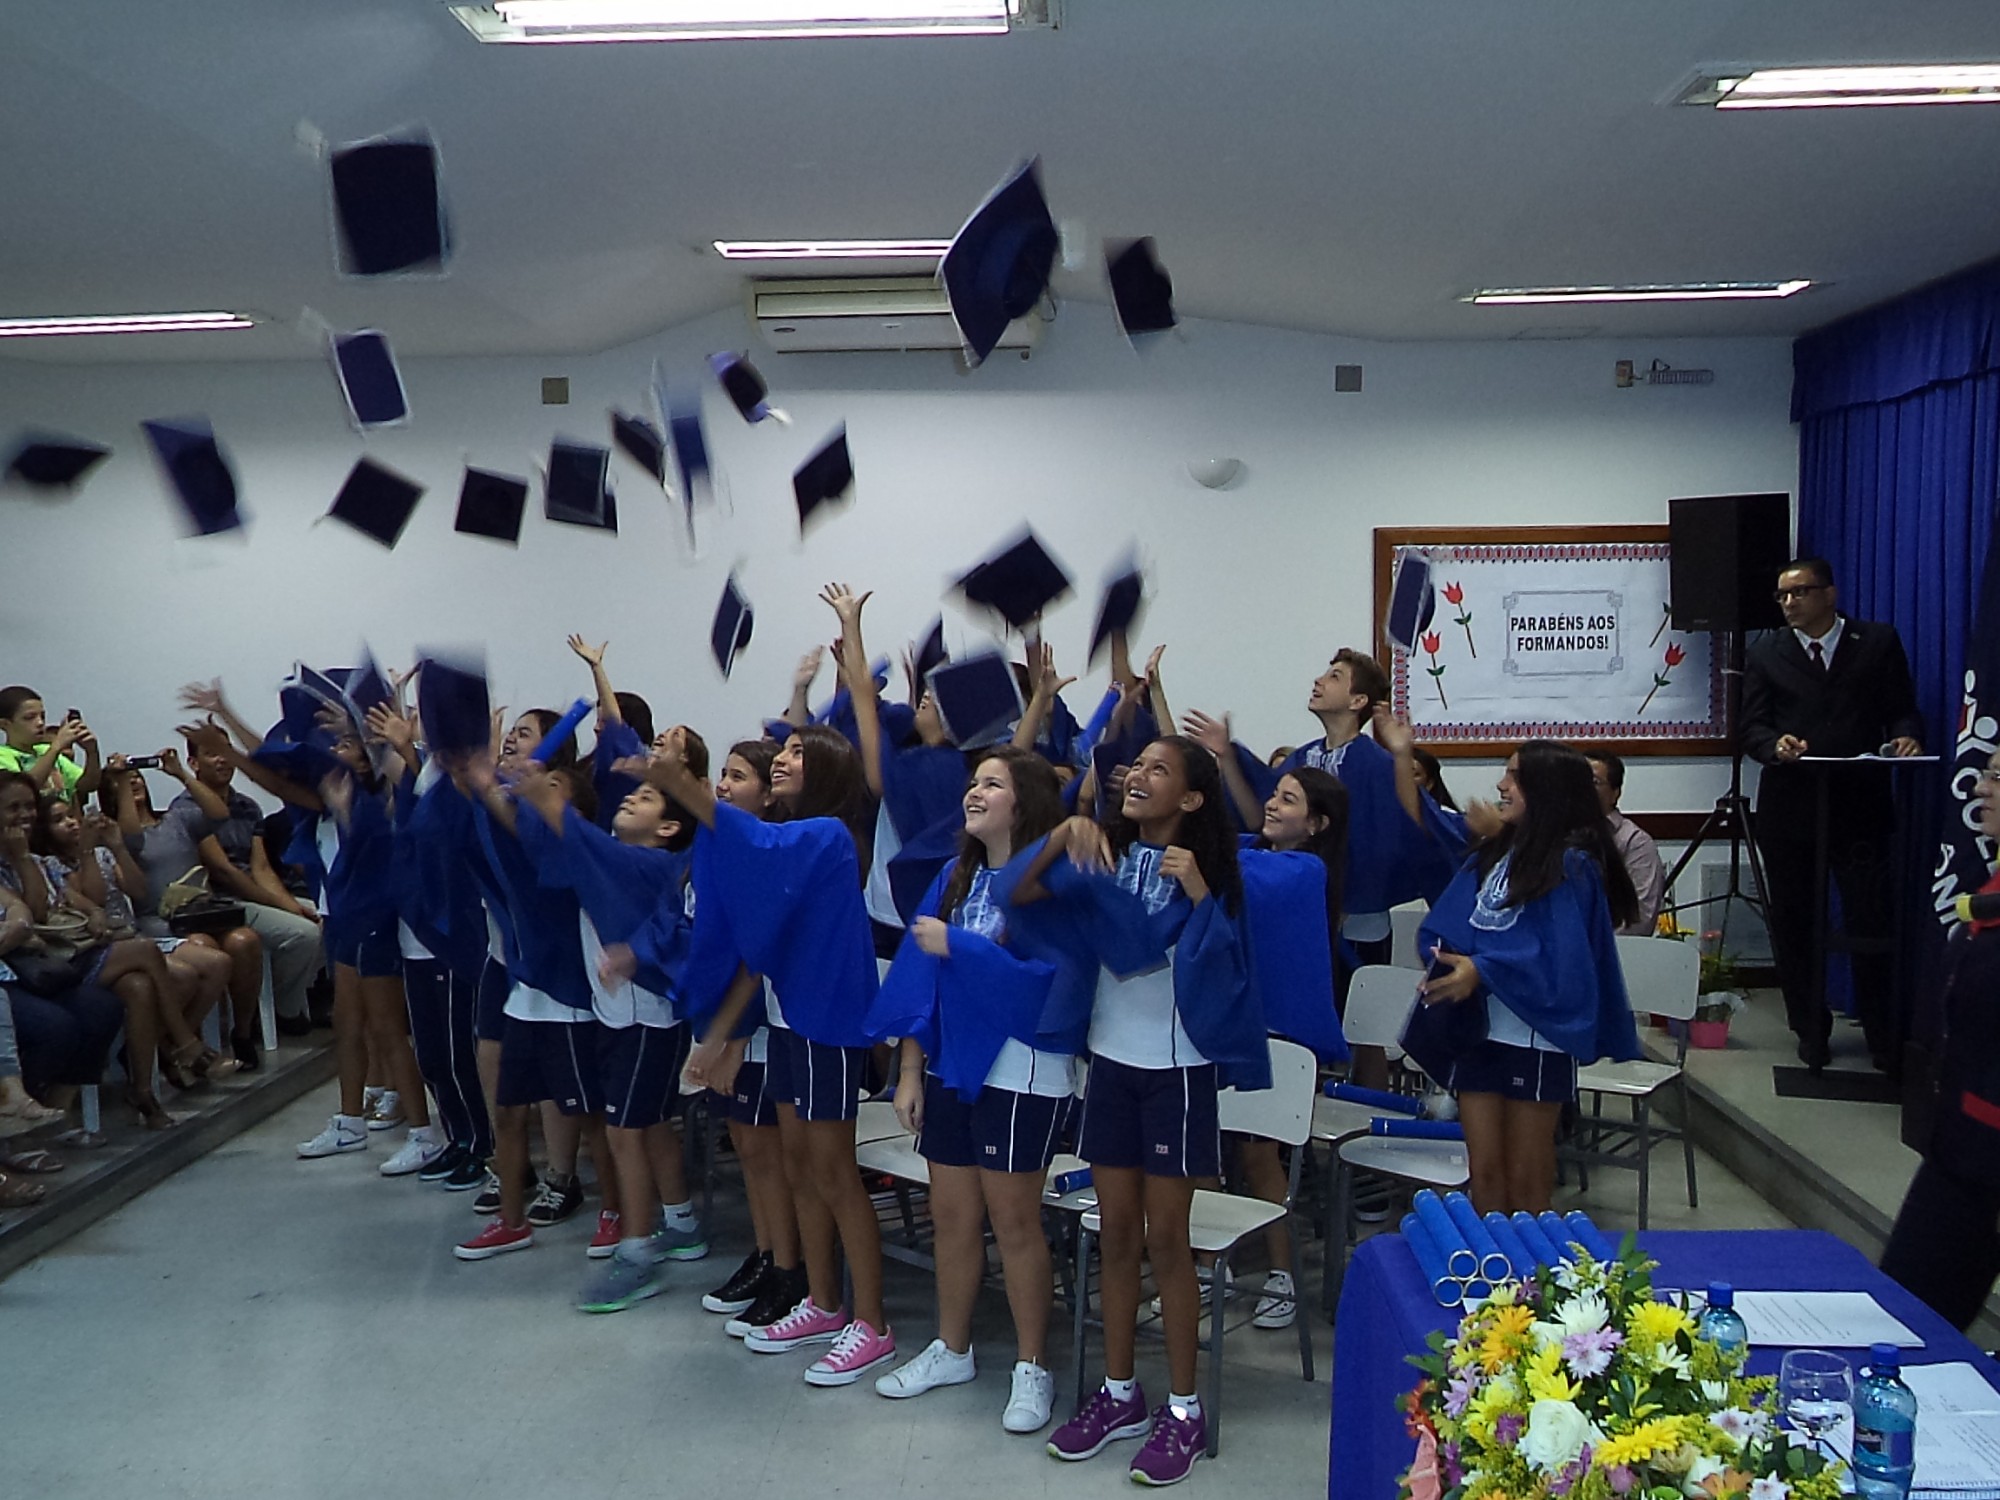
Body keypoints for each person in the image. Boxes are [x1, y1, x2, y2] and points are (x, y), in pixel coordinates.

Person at [1015, 735, 1264, 1485]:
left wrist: (1199, 895)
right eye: (1136, 766)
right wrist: (1065, 828)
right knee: (1116, 1235)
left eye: (1159, 769)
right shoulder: (1106, 859)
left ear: (1191, 798)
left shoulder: (1209, 875)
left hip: (1176, 1075)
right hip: (1111, 1067)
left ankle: (1184, 1409)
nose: (1137, 776)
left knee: (1169, 1244)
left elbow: (1228, 973)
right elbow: (1017, 893)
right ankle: (1121, 1391)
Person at [656, 723, 894, 1388]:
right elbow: (758, 948)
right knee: (799, 1169)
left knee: (834, 1174)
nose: (782, 759)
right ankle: (822, 1301)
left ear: (827, 772)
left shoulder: (831, 836)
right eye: (783, 750)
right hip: (789, 1022)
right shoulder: (790, 838)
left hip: (827, 1026)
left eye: (796, 753)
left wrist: (680, 783)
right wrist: (724, 1037)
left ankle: (872, 1325)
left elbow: (752, 842)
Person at [867, 746, 1079, 1434]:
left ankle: (1032, 1366)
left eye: (993, 783)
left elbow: (1047, 981)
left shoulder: (1050, 880)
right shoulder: (956, 877)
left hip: (1022, 1068)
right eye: (974, 781)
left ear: (1025, 802)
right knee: (952, 1215)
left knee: (1014, 1223)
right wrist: (909, 1071)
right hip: (951, 1065)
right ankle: (951, 1348)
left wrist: (963, 947)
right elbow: (918, 979)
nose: (975, 792)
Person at [1403, 741, 1641, 1216]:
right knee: (1484, 1171)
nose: (1500, 785)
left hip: (1535, 1037)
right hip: (1479, 1030)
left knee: (1526, 1179)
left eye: (1514, 776)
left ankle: (1529, 1262)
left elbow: (1561, 956)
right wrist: (1448, 960)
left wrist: (1482, 969)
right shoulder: (1497, 852)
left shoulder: (1572, 864)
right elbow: (1456, 920)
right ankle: (1494, 1263)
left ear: (1546, 790)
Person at [511, 754, 711, 1311]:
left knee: (626, 1133)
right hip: (623, 1017)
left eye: (646, 798)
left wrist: (544, 796)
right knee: (649, 1126)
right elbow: (565, 848)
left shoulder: (649, 864)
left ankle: (637, 1252)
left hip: (645, 1020)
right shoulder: (621, 859)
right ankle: (681, 1223)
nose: (629, 797)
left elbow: (585, 842)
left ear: (667, 829)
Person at [1740, 558, 1924, 1073]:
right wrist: (1774, 745)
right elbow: (1751, 727)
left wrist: (1907, 735)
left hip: (1861, 804)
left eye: (1799, 592)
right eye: (1782, 596)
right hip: (1791, 809)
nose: (1789, 603)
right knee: (1795, 922)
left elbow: (1902, 708)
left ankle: (1882, 1033)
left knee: (1871, 919)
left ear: (1830, 594)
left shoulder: (1877, 642)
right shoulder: (1766, 651)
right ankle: (1810, 1029)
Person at [1186, 647, 1439, 973]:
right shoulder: (1302, 759)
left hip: (1357, 923)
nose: (1319, 681)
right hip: (1299, 908)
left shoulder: (1376, 764)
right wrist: (1226, 757)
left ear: (1358, 701)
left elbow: (1401, 830)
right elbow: (1258, 820)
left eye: (1334, 677)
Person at [1880, 747, 2000, 1330]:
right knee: (1905, 1318)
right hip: (1960, 1146)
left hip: (1986, 1152)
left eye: (1997, 776)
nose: (1979, 787)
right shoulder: (1989, 889)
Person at [172, 701, 324, 1032]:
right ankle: (284, 1012)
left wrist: (289, 904)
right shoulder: (187, 808)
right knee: (304, 934)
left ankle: (288, 1001)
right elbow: (224, 872)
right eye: (211, 754)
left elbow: (262, 869)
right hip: (222, 901)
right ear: (193, 764)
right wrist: (285, 908)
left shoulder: (247, 806)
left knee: (328, 919)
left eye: (224, 751)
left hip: (255, 894)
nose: (222, 760)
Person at [1586, 751, 1666, 936]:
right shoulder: (1561, 834)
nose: (1584, 788)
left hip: (1614, 948)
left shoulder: (1634, 842)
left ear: (1615, 794)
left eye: (1595, 782)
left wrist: (1599, 947)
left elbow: (1641, 918)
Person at [0, 687, 101, 802]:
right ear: (4, 724)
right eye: (29, 718)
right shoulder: (3, 755)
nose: (40, 722)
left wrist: (91, 752)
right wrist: (57, 746)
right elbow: (23, 790)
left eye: (42, 716)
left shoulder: (45, 750)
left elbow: (88, 785)